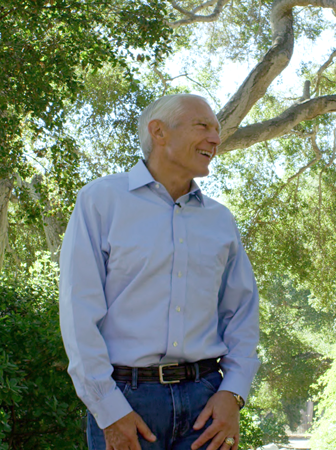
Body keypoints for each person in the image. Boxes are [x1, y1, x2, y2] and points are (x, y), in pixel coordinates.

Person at [59, 93, 260, 450]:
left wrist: (233, 393)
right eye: (203, 126)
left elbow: (242, 313)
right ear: (159, 132)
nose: (215, 138)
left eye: (217, 130)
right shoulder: (100, 202)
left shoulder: (220, 220)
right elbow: (78, 314)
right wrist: (107, 408)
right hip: (126, 402)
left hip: (207, 405)